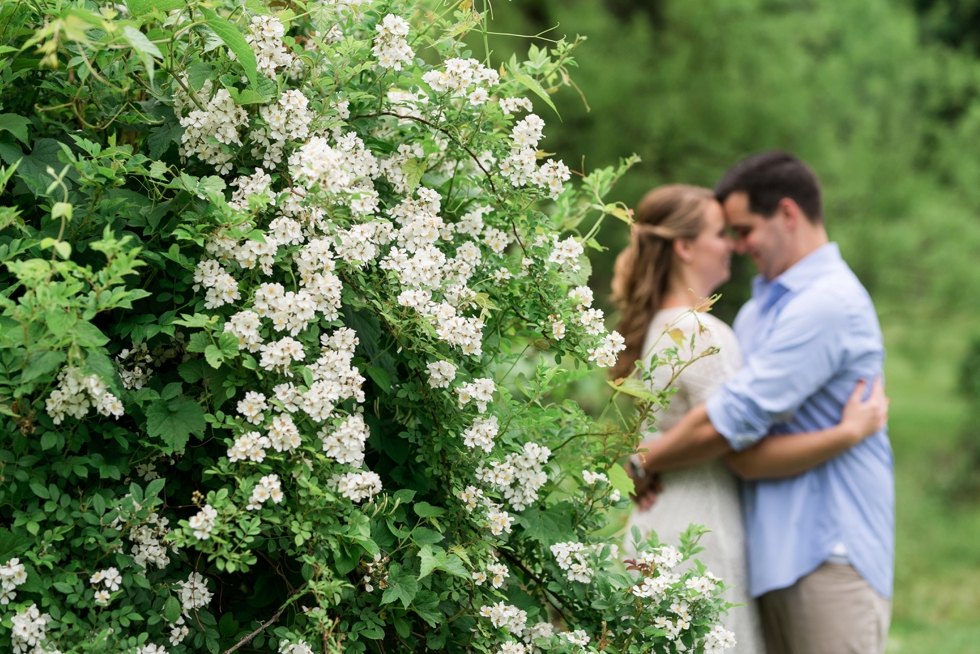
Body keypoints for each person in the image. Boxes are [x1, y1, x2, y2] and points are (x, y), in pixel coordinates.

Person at [627, 153, 894, 654]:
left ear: (788, 214)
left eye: (745, 229)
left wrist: (646, 459)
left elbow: (730, 432)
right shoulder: (755, 313)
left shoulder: (827, 303)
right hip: (767, 553)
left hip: (826, 550)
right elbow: (725, 433)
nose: (738, 244)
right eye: (728, 232)